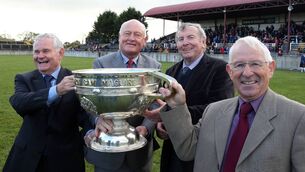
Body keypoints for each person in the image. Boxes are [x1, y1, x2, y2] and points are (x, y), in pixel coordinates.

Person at [147, 36, 305, 172]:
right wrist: (178, 106)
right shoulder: (214, 111)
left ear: (270, 68)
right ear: (230, 71)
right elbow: (187, 149)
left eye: (256, 64)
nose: (247, 72)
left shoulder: (298, 117)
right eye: (239, 65)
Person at [147, 22, 234, 172]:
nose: (185, 42)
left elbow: (219, 109)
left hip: (202, 148)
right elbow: (166, 105)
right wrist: (161, 125)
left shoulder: (220, 69)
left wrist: (170, 117)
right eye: (180, 39)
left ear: (203, 42)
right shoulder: (170, 72)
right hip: (172, 150)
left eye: (190, 37)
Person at [3, 33, 91, 172]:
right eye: (36, 52)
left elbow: (85, 116)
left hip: (65, 158)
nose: (40, 56)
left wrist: (89, 132)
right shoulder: (24, 79)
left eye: (45, 51)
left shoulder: (76, 80)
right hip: (28, 156)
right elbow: (19, 102)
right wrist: (56, 90)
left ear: (60, 53)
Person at [84, 19, 161, 172]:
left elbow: (154, 102)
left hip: (140, 149)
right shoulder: (101, 64)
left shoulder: (154, 66)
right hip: (108, 148)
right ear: (119, 38)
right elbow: (92, 100)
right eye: (127, 34)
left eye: (137, 34)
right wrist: (98, 119)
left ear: (144, 40)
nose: (131, 38)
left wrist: (145, 128)